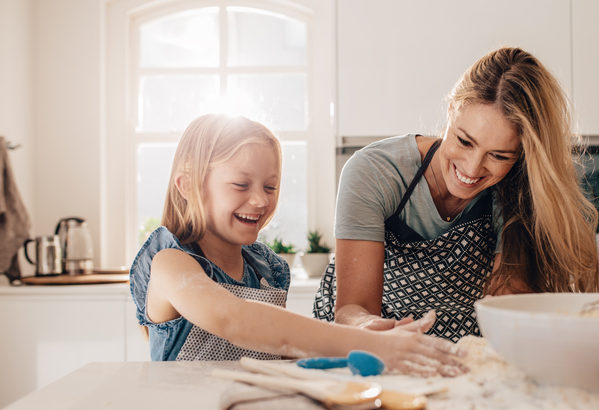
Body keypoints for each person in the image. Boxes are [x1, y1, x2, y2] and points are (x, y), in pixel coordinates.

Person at [129, 114, 466, 377]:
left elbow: (278, 348)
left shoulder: (267, 270)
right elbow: (233, 318)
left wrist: (362, 336)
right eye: (240, 184)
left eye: (271, 186)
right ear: (188, 185)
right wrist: (371, 344)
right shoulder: (169, 262)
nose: (260, 199)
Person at [313, 47, 599, 341]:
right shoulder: (375, 172)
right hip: (360, 341)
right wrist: (373, 331)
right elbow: (353, 308)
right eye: (465, 141)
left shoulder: (517, 190)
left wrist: (512, 317)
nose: (472, 168)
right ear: (452, 109)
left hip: (463, 343)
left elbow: (508, 295)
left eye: (499, 156)